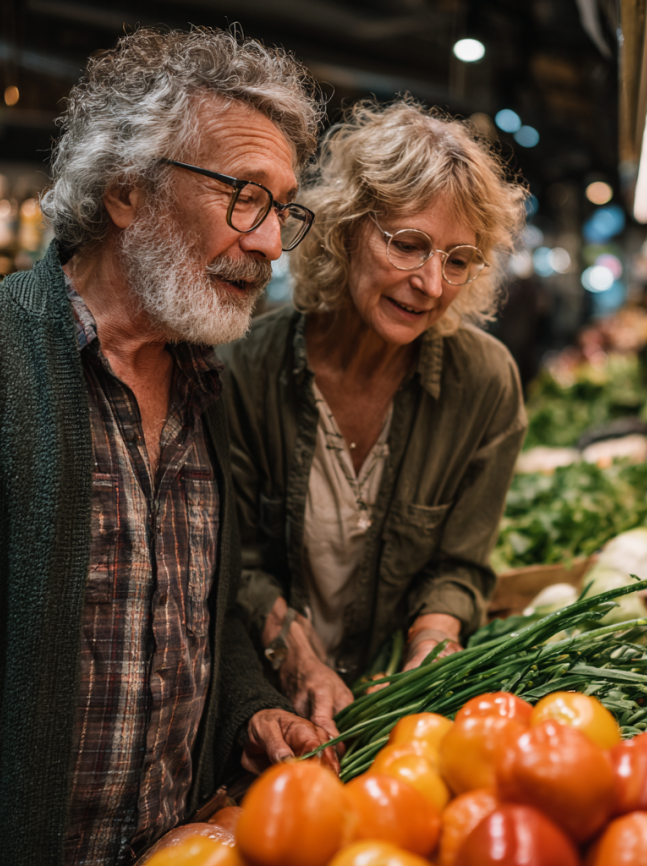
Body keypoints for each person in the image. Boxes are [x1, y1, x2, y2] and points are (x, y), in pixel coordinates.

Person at [0, 26, 337, 866]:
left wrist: (248, 706)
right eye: (244, 195)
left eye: (281, 209)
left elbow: (191, 618)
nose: (269, 243)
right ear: (127, 192)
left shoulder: (206, 390)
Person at [220, 99, 528, 738]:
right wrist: (297, 657)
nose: (432, 284)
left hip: (398, 715)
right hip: (262, 707)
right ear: (347, 227)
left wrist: (431, 649)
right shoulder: (244, 367)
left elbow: (458, 567)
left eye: (459, 259)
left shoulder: (486, 385)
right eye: (409, 244)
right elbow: (235, 562)